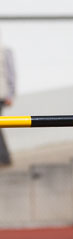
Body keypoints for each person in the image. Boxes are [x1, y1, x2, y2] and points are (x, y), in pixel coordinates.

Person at [0, 36, 16, 167]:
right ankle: (5, 157)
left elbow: (11, 73)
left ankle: (4, 157)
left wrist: (11, 94)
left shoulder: (5, 51)